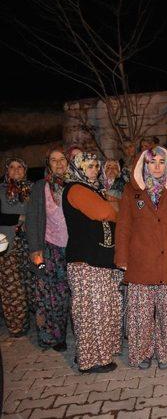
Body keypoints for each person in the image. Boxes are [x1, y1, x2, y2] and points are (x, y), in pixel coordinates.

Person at [116, 146, 167, 369]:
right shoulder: (132, 192)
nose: (157, 166)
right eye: (152, 162)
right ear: (144, 165)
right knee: (141, 313)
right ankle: (142, 353)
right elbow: (123, 226)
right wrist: (122, 256)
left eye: (161, 161)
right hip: (141, 261)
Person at [62, 153, 120, 373]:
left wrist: (116, 207)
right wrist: (115, 208)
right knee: (89, 311)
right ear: (78, 168)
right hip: (85, 261)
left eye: (97, 165)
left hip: (97, 260)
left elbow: (115, 208)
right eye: (89, 166)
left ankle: (99, 353)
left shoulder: (94, 189)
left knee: (101, 309)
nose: (94, 169)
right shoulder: (76, 189)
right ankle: (89, 361)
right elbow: (105, 211)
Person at [25, 147, 71, 351]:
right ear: (48, 164)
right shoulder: (39, 187)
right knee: (52, 296)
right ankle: (55, 337)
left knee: (74, 295)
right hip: (49, 249)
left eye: (62, 159)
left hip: (74, 249)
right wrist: (35, 250)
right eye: (54, 160)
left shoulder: (75, 185)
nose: (59, 163)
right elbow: (33, 219)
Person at [0, 158, 32, 338]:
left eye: (20, 166)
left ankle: (30, 320)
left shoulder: (32, 189)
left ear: (25, 170)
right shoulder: (1, 190)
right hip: (7, 243)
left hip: (29, 242)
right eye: (11, 167)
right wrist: (18, 218)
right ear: (7, 171)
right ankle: (16, 325)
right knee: (11, 287)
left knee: (27, 283)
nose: (16, 170)